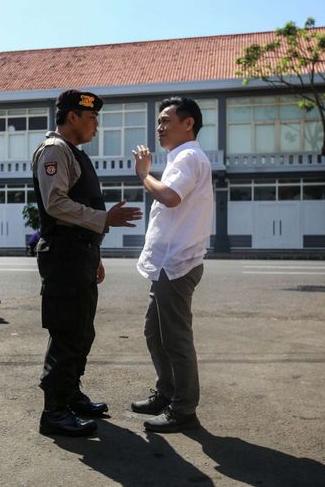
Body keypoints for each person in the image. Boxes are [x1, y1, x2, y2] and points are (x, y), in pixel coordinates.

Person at [32, 89, 142, 437]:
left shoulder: (74, 154)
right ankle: (54, 411)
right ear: (72, 116)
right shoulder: (55, 150)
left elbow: (78, 209)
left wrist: (96, 254)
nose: (96, 124)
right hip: (64, 255)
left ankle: (71, 394)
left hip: (80, 254)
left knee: (82, 332)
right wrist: (104, 219)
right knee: (67, 332)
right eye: (91, 117)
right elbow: (55, 204)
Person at [130, 97, 213, 433]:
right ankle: (167, 392)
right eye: (159, 122)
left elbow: (169, 196)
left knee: (176, 339)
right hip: (169, 263)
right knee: (155, 333)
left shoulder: (188, 156)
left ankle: (184, 409)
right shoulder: (183, 157)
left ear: (188, 123)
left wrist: (143, 174)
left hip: (178, 263)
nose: (160, 127)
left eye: (166, 120)